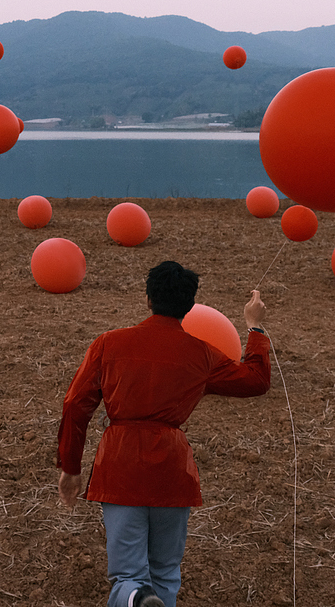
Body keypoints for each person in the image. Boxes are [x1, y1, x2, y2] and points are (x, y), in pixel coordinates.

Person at [56, 260, 271, 607]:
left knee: (128, 575)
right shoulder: (201, 353)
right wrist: (255, 328)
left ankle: (137, 597)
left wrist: (70, 466)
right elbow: (257, 382)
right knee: (166, 572)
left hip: (120, 462)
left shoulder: (109, 343)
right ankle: (149, 597)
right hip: (172, 468)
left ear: (148, 299)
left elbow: (75, 405)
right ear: (189, 307)